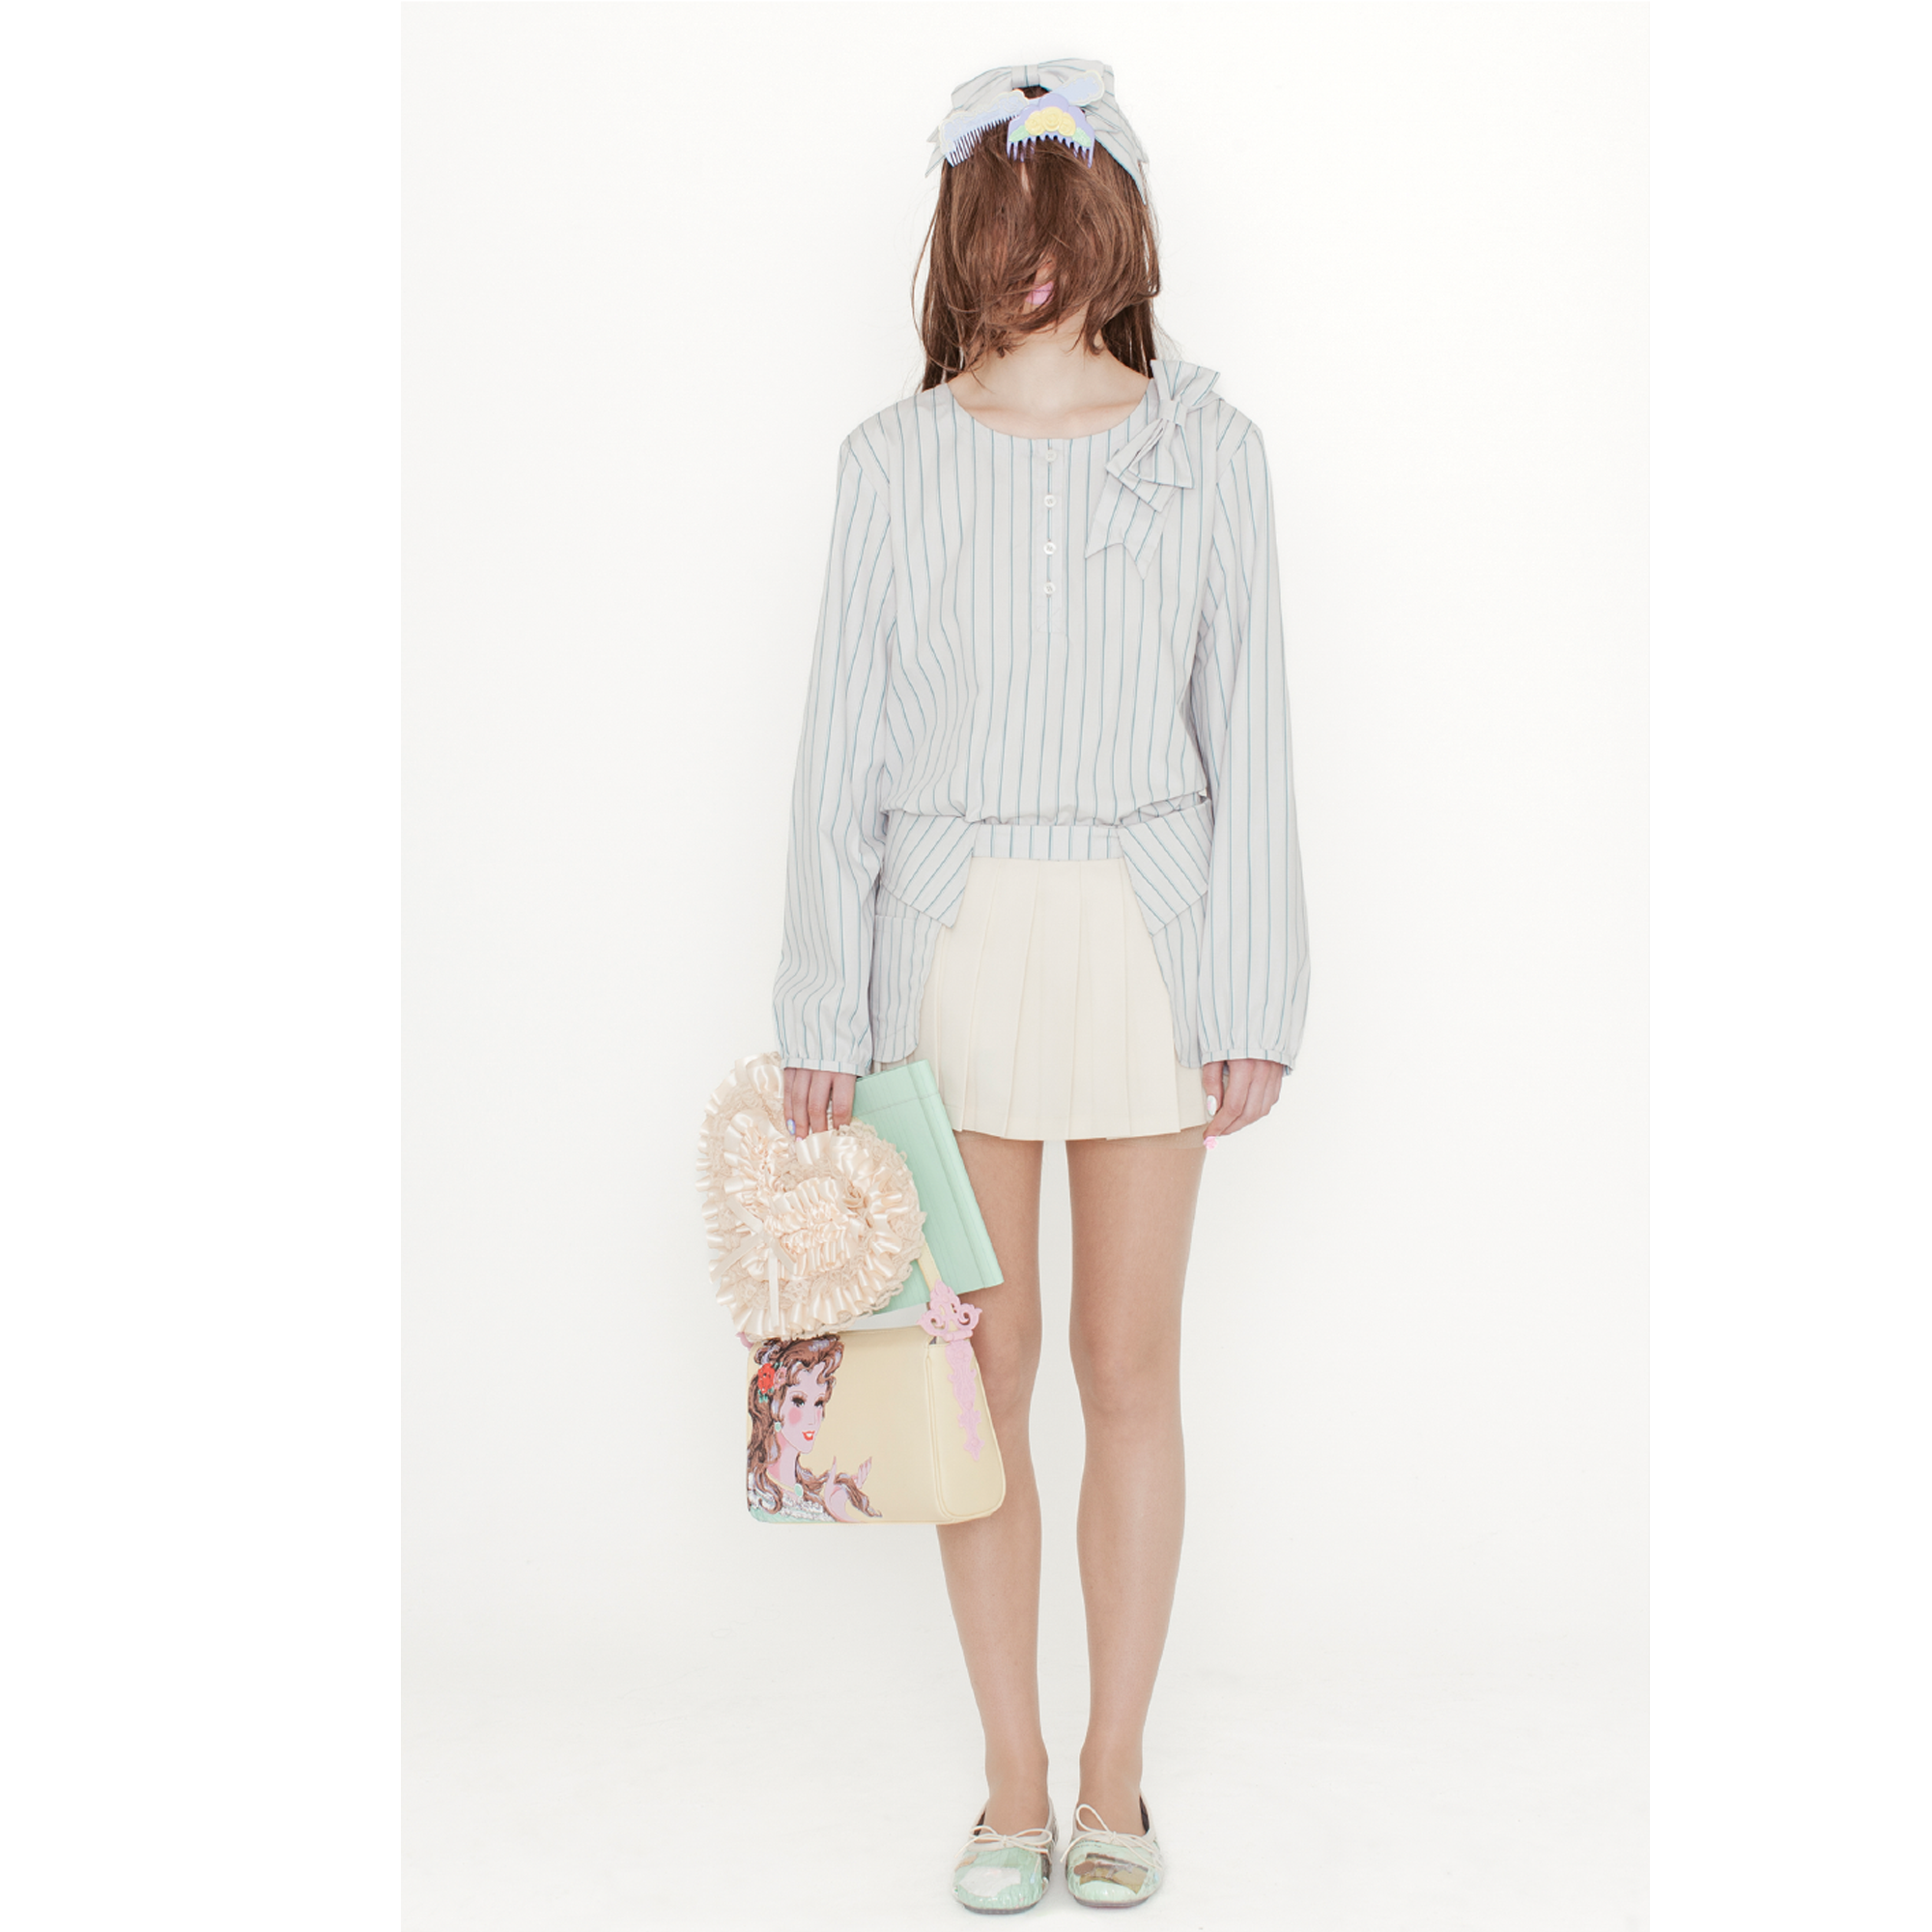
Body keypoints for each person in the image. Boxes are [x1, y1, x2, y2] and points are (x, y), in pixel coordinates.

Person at [769, 58, 1309, 1913]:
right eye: (997, 224)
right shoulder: (893, 463)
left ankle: (1115, 1779)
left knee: (1129, 1369)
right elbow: (838, 757)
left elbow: (1249, 735)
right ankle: (1012, 1785)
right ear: (958, 235)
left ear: (1116, 229)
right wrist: (820, 1009)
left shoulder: (1211, 453)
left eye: (1059, 224)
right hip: (954, 943)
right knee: (982, 1378)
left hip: (1152, 939)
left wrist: (1256, 994)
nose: (1030, 262)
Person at [745, 1333, 879, 1523]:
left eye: (819, 1403)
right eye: (799, 1401)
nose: (812, 1419)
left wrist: (837, 1509)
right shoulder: (760, 1497)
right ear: (774, 1405)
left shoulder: (814, 1491)